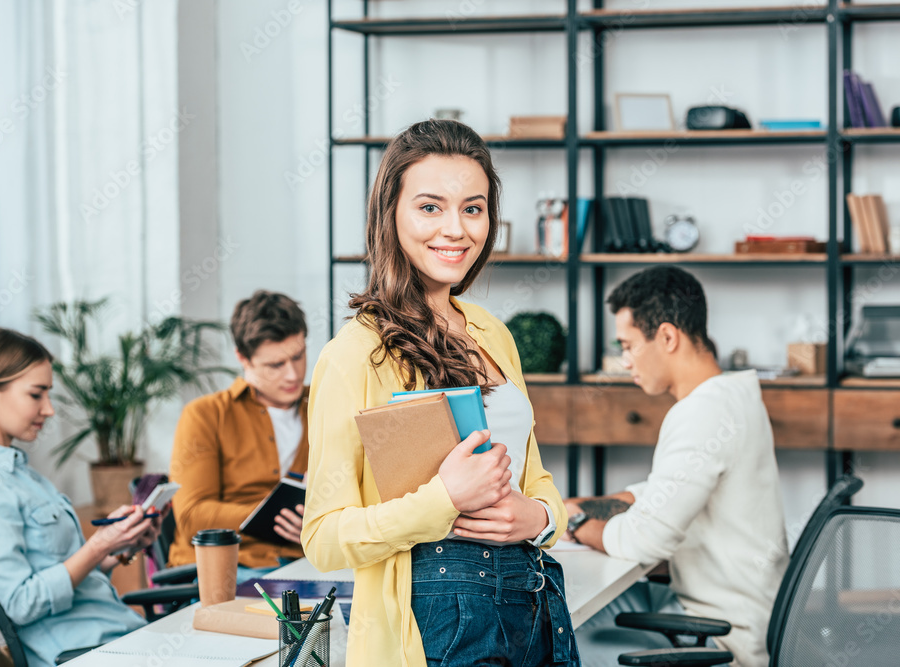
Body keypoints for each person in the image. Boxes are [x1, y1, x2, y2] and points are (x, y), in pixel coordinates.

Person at [301, 119, 579, 666]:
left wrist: (542, 519)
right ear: (391, 214)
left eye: (473, 209)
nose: (456, 229)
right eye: (430, 207)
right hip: (432, 623)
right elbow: (324, 538)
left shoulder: (491, 332)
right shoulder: (355, 354)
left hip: (529, 598)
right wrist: (443, 501)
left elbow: (535, 477)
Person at [564, 266, 789, 666]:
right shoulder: (730, 396)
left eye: (628, 345)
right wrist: (577, 506)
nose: (624, 361)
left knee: (555, 630)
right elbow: (661, 491)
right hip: (720, 611)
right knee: (580, 604)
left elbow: (645, 540)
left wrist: (578, 527)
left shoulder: (703, 412)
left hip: (720, 637)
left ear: (667, 337)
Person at [0, 328, 161, 667]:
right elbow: (20, 603)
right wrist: (96, 546)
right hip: (89, 654)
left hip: (119, 637)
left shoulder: (22, 474)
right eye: (36, 395)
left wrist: (119, 546)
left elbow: (67, 578)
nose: (49, 409)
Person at [168, 290, 310, 579]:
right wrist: (273, 516)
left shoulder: (326, 405)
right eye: (275, 365)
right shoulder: (206, 415)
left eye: (298, 356)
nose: (293, 375)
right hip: (230, 567)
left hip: (305, 564)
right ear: (242, 358)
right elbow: (191, 516)